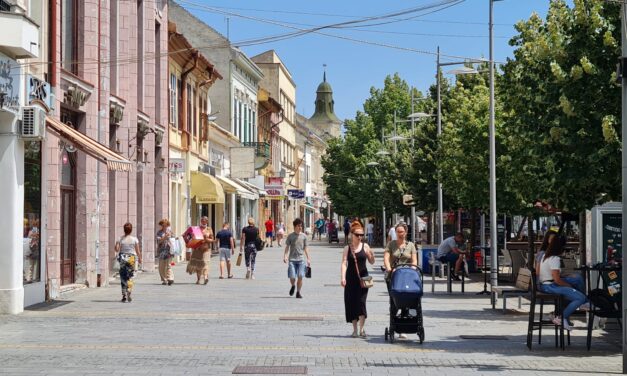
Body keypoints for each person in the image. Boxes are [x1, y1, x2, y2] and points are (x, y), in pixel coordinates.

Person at [537, 233, 589, 331]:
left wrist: (566, 278)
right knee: (580, 298)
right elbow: (557, 280)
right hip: (550, 286)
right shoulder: (554, 259)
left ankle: (584, 303)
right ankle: (561, 317)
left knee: (577, 278)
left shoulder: (545, 255)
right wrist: (570, 287)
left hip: (547, 284)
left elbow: (553, 275)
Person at [383, 223, 418, 339]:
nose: (400, 234)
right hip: (393, 276)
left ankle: (403, 328)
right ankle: (394, 325)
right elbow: (386, 259)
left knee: (406, 299)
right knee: (395, 301)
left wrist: (413, 270)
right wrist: (389, 269)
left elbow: (414, 261)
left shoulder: (411, 245)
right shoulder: (391, 244)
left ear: (406, 232)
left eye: (402, 232)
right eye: (398, 232)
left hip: (406, 276)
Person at [341, 220, 375, 338]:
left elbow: (371, 261)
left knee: (361, 302)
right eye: (357, 235)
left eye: (362, 235)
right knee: (351, 303)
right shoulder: (347, 248)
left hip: (363, 278)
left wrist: (371, 255)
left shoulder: (365, 246)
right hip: (351, 279)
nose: (360, 237)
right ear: (352, 235)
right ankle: (354, 330)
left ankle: (362, 329)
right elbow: (344, 263)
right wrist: (343, 277)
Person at [283, 218, 311, 298]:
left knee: (300, 276)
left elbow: (306, 248)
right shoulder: (290, 236)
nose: (300, 227)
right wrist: (285, 256)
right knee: (292, 276)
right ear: (295, 226)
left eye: (301, 226)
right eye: (299, 226)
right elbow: (287, 247)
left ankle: (298, 292)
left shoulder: (304, 236)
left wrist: (308, 258)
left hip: (301, 260)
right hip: (292, 260)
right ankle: (293, 286)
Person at [115, 222, 142, 302]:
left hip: (123, 258)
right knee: (130, 276)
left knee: (123, 276)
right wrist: (140, 258)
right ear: (131, 230)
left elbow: (116, 250)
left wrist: (116, 243)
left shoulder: (121, 239)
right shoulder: (134, 239)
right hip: (131, 258)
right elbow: (137, 251)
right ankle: (129, 290)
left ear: (124, 230)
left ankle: (124, 295)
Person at [186, 216, 214, 285]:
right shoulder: (196, 229)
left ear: (207, 221)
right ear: (201, 221)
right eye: (202, 220)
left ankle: (205, 277)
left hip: (206, 249)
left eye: (205, 221)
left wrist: (206, 239)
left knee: (205, 263)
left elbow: (212, 239)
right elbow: (189, 238)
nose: (204, 222)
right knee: (198, 265)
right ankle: (198, 279)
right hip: (197, 249)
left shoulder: (209, 229)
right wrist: (192, 237)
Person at [156, 218, 174, 286]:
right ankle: (164, 279)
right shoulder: (159, 232)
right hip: (161, 251)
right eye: (163, 225)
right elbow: (158, 241)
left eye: (166, 225)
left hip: (169, 250)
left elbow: (173, 239)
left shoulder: (170, 232)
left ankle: (170, 279)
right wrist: (165, 237)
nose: (164, 227)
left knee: (168, 265)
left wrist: (172, 238)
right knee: (161, 266)